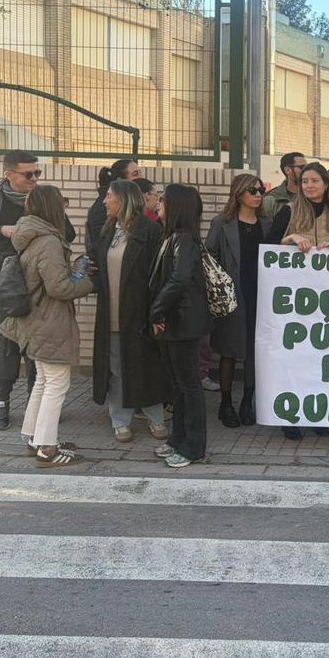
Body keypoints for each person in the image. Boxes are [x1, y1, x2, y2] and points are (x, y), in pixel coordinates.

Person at [0, 150, 76, 431]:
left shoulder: (39, 199)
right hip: (7, 279)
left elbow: (69, 233)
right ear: (9, 175)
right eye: (29, 174)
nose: (35, 179)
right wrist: (0, 230)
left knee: (35, 343)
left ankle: (34, 403)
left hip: (38, 282)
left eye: (38, 173)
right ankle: (2, 402)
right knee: (6, 341)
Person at [0, 184, 94, 468]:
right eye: (62, 204)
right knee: (56, 384)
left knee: (42, 380)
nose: (65, 210)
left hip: (34, 319)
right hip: (50, 320)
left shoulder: (31, 235)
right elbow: (59, 287)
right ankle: (47, 451)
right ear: (51, 207)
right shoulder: (48, 241)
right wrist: (87, 282)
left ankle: (34, 438)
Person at [266, 162, 329, 439]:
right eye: (305, 182)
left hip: (326, 300)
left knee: (321, 359)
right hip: (295, 301)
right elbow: (267, 247)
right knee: (295, 359)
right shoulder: (289, 212)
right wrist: (291, 237)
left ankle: (318, 413)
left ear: (326, 185)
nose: (309, 186)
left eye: (314, 181)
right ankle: (290, 417)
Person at [91, 179, 169, 444]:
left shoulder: (150, 231)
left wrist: (157, 314)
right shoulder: (108, 230)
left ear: (123, 199)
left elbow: (160, 276)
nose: (104, 201)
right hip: (111, 313)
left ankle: (155, 417)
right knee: (116, 370)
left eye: (109, 196)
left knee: (147, 366)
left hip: (141, 314)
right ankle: (120, 420)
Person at [149, 184, 213, 469]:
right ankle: (178, 439)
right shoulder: (173, 237)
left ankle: (193, 447)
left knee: (189, 386)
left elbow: (179, 279)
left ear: (176, 206)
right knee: (177, 385)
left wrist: (156, 310)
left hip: (184, 322)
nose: (158, 203)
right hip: (174, 321)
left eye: (163, 199)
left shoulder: (184, 240)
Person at [206, 173, 265, 429]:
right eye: (253, 190)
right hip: (232, 296)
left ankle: (248, 401)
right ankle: (226, 403)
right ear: (239, 193)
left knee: (255, 351)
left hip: (261, 295)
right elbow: (209, 257)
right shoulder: (222, 223)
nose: (258, 194)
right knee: (229, 352)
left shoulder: (268, 223)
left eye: (261, 190)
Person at [85, 159, 141, 261]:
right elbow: (99, 249)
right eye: (135, 174)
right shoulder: (103, 210)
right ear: (121, 180)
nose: (140, 178)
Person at [263, 151, 306, 221]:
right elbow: (267, 228)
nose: (306, 170)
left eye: (307, 167)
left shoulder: (312, 195)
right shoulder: (272, 199)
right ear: (288, 170)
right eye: (302, 167)